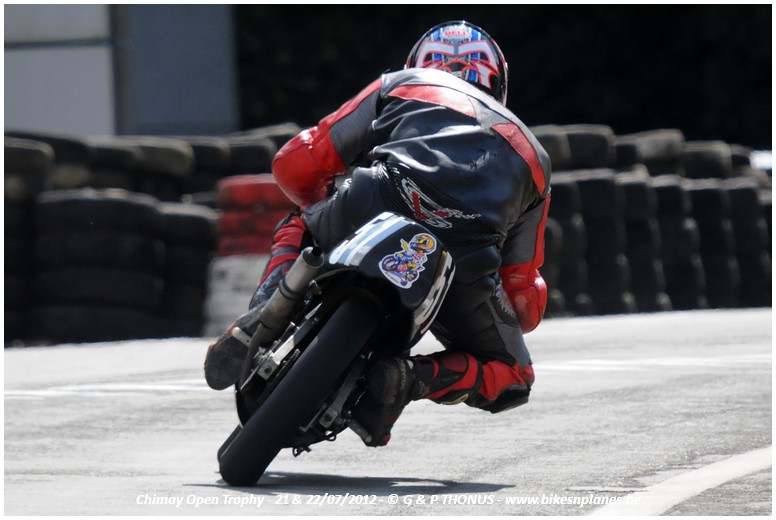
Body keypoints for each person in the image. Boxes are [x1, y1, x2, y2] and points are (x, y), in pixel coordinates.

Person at [205, 20, 551, 448]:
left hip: (375, 200)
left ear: (418, 62)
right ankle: (413, 377)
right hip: (466, 256)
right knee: (516, 376)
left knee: (300, 219)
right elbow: (522, 295)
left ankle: (259, 318)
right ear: (498, 84)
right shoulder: (534, 155)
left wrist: (321, 199)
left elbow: (295, 164)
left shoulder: (404, 84)